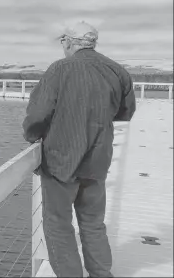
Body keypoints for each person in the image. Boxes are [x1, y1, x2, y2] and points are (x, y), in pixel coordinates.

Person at [22, 21, 137, 277]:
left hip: (60, 161)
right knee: (93, 222)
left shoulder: (59, 70)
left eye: (63, 42)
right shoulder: (117, 70)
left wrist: (32, 136)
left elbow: (38, 115)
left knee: (58, 224)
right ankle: (101, 273)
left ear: (68, 42)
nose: (63, 46)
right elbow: (126, 112)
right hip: (97, 161)